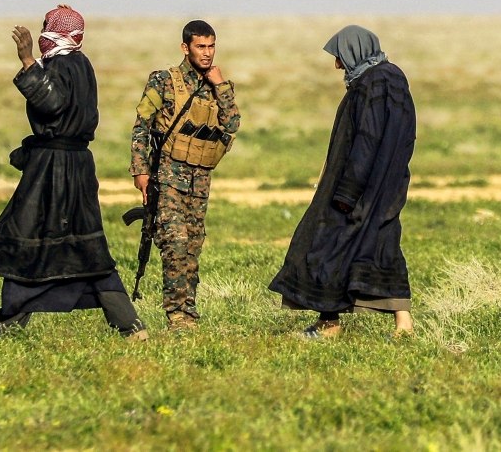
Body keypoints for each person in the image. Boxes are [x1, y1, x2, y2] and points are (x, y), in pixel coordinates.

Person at [0, 6, 148, 341]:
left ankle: (7, 323)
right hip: (76, 165)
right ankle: (129, 325)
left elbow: (52, 105)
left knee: (30, 239)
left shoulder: (61, 64)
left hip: (55, 170)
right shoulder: (83, 63)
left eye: (46, 27)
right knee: (86, 246)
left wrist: (26, 61)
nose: (41, 34)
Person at [269, 26, 415, 338]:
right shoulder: (394, 78)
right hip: (387, 185)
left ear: (353, 51)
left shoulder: (370, 83)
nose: (337, 65)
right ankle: (404, 325)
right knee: (383, 245)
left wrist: (346, 192)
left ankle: (329, 324)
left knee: (325, 244)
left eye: (339, 56)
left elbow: (366, 140)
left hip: (358, 188)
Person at [129, 20, 240, 330]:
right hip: (167, 177)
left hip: (200, 181)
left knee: (192, 247)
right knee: (175, 243)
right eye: (200, 46)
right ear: (185, 47)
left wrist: (220, 86)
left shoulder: (218, 85)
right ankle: (178, 316)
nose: (206, 53)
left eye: (211, 46)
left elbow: (232, 125)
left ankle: (188, 312)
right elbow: (141, 125)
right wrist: (140, 170)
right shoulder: (163, 81)